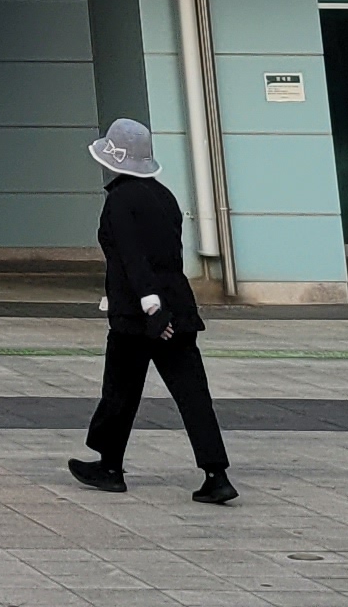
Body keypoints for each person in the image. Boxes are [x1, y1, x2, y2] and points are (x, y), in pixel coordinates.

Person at [66, 119, 234, 506]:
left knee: (119, 392)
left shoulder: (120, 201)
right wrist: (164, 307)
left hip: (138, 316)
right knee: (193, 395)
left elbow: (133, 258)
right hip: (179, 308)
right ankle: (217, 475)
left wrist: (151, 306)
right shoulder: (164, 197)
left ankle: (110, 468)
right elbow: (168, 257)